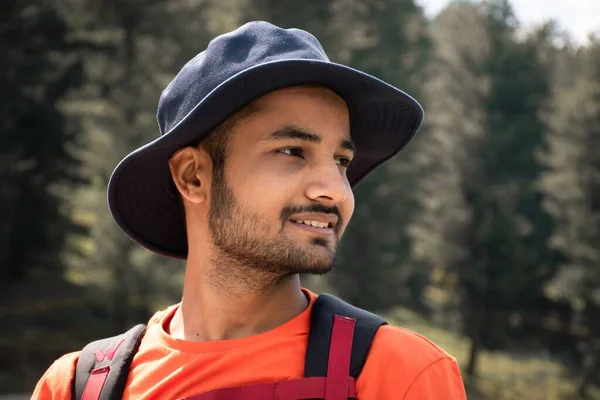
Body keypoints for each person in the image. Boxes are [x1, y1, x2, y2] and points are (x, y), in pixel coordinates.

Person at [32, 21, 467, 399]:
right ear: (193, 177)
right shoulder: (78, 387)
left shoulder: (400, 375)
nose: (335, 190)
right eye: (292, 150)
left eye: (341, 160)